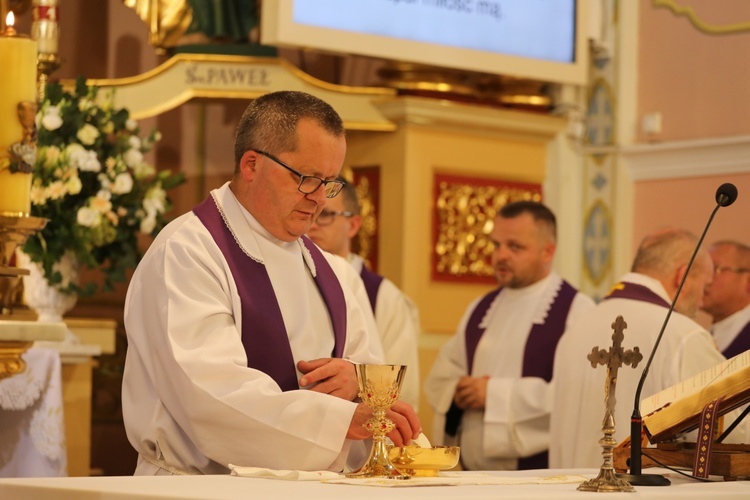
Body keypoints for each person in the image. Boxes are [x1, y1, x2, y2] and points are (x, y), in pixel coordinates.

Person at [122, 90, 421, 476]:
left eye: (328, 183)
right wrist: (337, 422)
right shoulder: (188, 253)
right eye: (307, 179)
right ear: (251, 164)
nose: (318, 199)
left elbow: (371, 377)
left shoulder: (331, 270)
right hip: (200, 488)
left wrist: (359, 383)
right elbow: (212, 396)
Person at [423, 201, 595, 470]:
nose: (500, 255)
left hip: (538, 478)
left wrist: (493, 394)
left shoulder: (576, 310)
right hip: (472, 477)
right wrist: (458, 390)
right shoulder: (481, 308)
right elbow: (442, 377)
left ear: (547, 251)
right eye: (496, 245)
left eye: (514, 247)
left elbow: (578, 397)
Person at [549, 228, 728, 468]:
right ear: (682, 277)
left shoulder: (576, 328)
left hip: (568, 490)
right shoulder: (683, 335)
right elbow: (733, 432)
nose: (702, 301)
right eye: (704, 287)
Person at [306, 182, 422, 410]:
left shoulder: (384, 297)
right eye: (311, 211)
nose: (313, 224)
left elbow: (400, 384)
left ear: (353, 224)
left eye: (326, 214)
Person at [701, 240, 750, 358]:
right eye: (703, 270)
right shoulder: (704, 335)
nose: (705, 279)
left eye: (715, 269)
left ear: (748, 282)